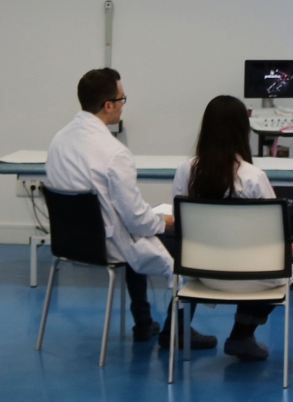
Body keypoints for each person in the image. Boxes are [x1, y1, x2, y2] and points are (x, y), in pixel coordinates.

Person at [45, 68, 215, 349]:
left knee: (135, 236)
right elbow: (137, 220)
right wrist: (163, 221)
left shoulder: (59, 141)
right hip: (106, 246)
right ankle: (176, 330)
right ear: (108, 105)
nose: (123, 104)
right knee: (185, 241)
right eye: (122, 99)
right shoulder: (114, 153)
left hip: (68, 244)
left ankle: (144, 323)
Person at [170, 95, 293, 361]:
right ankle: (242, 335)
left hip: (202, 274)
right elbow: (275, 237)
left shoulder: (186, 170)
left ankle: (192, 330)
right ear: (243, 130)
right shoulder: (253, 177)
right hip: (252, 277)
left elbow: (179, 222)